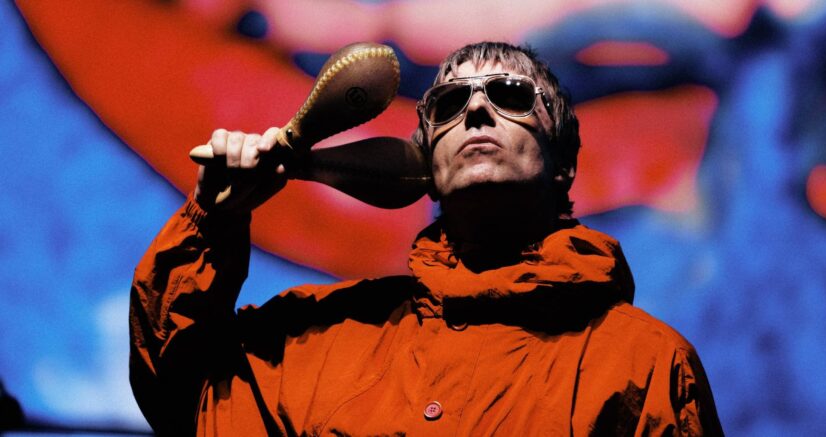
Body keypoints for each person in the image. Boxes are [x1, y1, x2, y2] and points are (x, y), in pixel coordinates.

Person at [130, 42, 723, 436]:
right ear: (425, 170)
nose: (477, 111)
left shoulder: (645, 365)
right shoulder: (316, 338)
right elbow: (183, 392)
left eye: (511, 96)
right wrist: (213, 220)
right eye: (449, 103)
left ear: (564, 162)